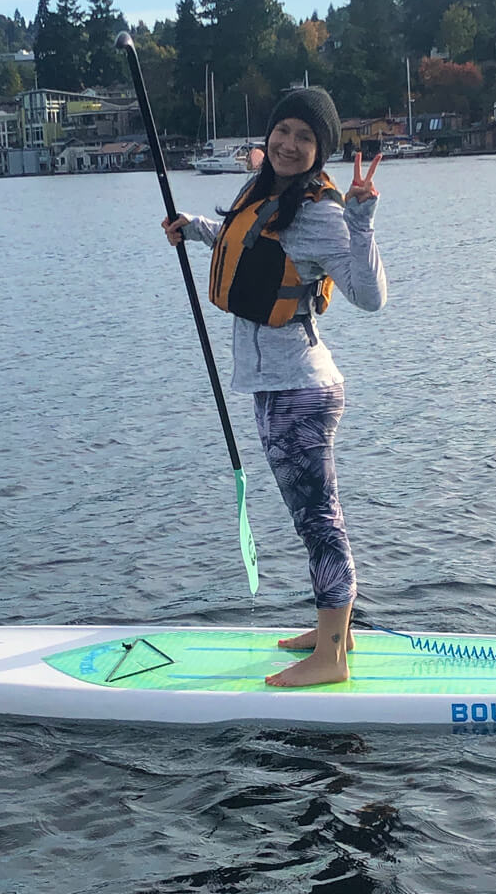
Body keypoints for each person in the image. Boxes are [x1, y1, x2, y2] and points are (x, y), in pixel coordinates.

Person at [162, 87, 387, 688]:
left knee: (318, 520)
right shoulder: (265, 189)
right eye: (283, 131)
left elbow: (370, 297)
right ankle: (334, 629)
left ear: (320, 152)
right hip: (275, 387)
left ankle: (332, 658)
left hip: (301, 394)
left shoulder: (321, 213)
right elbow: (248, 239)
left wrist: (362, 219)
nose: (289, 144)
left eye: (305, 138)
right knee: (314, 518)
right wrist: (195, 229)